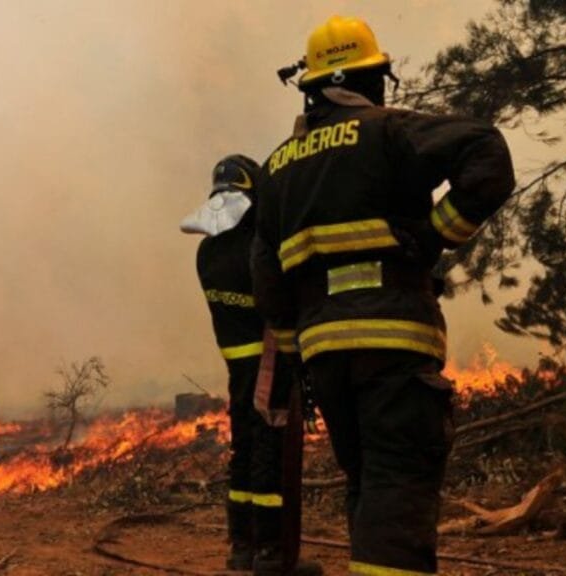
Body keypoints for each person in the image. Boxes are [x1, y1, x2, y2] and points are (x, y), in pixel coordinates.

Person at [251, 16, 515, 576]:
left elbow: (267, 276)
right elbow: (488, 155)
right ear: (368, 80)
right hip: (394, 340)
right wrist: (434, 235)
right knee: (398, 484)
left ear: (313, 86)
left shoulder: (276, 169)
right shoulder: (387, 131)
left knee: (368, 484)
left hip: (325, 358)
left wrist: (298, 353)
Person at [182, 155, 321, 575]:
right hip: (270, 359)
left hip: (237, 365)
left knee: (243, 448)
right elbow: (280, 296)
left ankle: (241, 545)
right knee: (270, 451)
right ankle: (272, 551)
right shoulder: (260, 248)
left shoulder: (207, 252)